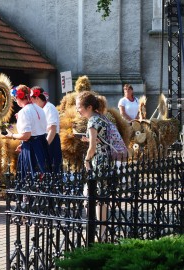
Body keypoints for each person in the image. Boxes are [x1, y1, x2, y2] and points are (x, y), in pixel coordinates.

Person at [76, 91, 109, 240]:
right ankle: (102, 231)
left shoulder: (91, 122)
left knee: (91, 195)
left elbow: (92, 148)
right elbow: (99, 141)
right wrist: (88, 140)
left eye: (79, 107)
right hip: (106, 159)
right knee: (101, 196)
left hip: (97, 160)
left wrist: (87, 160)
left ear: (89, 107)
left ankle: (95, 230)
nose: (78, 110)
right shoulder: (102, 118)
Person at [3, 84, 51, 179]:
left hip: (32, 148)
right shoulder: (40, 109)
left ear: (19, 97)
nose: (15, 101)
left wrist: (11, 135)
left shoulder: (24, 112)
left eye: (15, 98)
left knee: (31, 178)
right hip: (42, 144)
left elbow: (26, 135)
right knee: (43, 176)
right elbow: (37, 131)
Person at [30, 86, 63, 173]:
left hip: (50, 139)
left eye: (31, 99)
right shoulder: (39, 109)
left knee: (51, 168)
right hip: (43, 139)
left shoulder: (49, 108)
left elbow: (52, 129)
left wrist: (45, 146)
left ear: (37, 98)